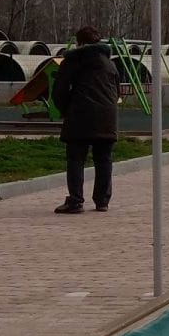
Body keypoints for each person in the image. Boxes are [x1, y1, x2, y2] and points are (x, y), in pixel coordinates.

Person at [51, 25, 120, 214]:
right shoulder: (110, 64)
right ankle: (102, 201)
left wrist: (66, 109)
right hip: (107, 117)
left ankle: (75, 201)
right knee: (104, 159)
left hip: (80, 115)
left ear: (79, 42)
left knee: (75, 158)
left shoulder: (73, 61)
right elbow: (117, 92)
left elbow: (59, 91)